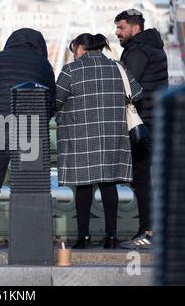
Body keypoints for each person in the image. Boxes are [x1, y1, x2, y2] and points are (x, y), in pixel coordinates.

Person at [0, 28, 56, 250]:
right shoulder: (43, 65)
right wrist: (39, 120)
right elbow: (52, 100)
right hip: (30, 126)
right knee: (30, 186)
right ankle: (29, 239)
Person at [54, 33, 143, 249]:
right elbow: (137, 93)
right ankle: (111, 237)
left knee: (83, 187)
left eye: (73, 49)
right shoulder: (118, 67)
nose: (73, 54)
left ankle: (83, 238)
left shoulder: (71, 70)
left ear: (82, 48)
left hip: (81, 135)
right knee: (109, 184)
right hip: (113, 134)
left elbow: (55, 100)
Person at [114, 9, 169, 249]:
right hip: (155, 121)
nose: (117, 33)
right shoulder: (155, 48)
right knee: (149, 178)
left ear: (135, 28)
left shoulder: (137, 51)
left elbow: (129, 87)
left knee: (142, 178)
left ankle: (148, 231)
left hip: (141, 124)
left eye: (121, 27)